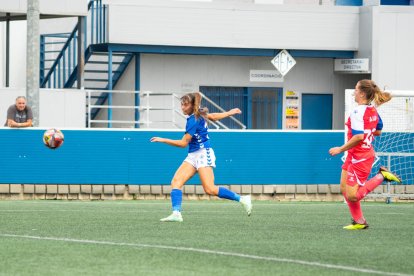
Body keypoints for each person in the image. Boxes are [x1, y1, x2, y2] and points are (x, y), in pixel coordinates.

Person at [150, 92, 252, 222]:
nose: (182, 108)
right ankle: (176, 213)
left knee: (210, 189)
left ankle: (242, 199)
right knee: (176, 182)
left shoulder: (193, 120)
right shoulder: (199, 114)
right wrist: (229, 112)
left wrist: (163, 139)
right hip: (193, 155)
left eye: (185, 105)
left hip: (204, 153)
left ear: (193, 106)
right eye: (181, 104)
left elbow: (183, 143)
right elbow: (213, 117)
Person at [329, 79, 401, 230]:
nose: (354, 92)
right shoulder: (372, 110)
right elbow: (378, 131)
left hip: (361, 158)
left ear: (362, 93)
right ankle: (360, 222)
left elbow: (359, 137)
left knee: (353, 195)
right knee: (344, 189)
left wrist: (340, 149)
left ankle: (382, 176)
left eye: (356, 89)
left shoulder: (357, 111)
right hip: (355, 155)